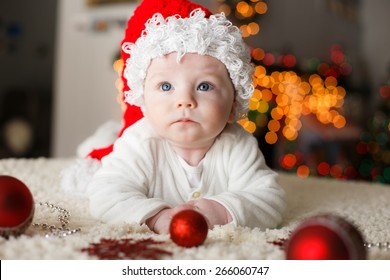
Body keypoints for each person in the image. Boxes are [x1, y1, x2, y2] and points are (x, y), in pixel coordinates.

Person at [85, 0, 285, 234]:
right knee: (100, 152)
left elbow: (270, 200)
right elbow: (105, 195)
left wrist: (222, 211)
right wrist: (157, 217)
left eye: (204, 86)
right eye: (166, 86)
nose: (185, 100)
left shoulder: (238, 144)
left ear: (233, 104)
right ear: (144, 102)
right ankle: (101, 140)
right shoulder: (139, 142)